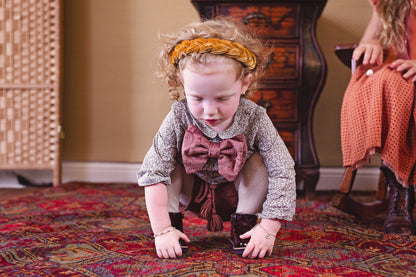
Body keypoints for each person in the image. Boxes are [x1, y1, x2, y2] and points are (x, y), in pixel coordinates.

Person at [137, 17, 296, 259]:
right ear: (182, 82)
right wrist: (161, 231)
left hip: (240, 193)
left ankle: (245, 229)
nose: (209, 110)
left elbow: (283, 169)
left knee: (263, 161)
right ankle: (173, 229)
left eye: (222, 98)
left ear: (244, 84)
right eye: (198, 98)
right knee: (165, 166)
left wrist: (269, 228)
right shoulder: (178, 116)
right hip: (192, 192)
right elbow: (152, 173)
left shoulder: (255, 117)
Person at [341, 0, 416, 234]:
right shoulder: (388, 4)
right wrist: (371, 42)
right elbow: (366, 42)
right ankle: (400, 191)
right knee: (390, 82)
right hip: (396, 78)